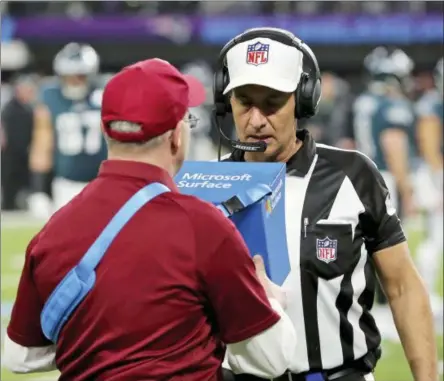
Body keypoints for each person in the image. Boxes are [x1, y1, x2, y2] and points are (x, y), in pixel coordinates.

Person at [3, 58, 297, 381]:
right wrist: (271, 298)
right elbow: (271, 357)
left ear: (106, 130)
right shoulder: (203, 226)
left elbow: (20, 356)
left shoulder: (54, 229)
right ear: (176, 136)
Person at [213, 27, 438, 381]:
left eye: (272, 101)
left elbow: (402, 286)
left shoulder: (353, 175)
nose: (256, 120)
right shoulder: (207, 189)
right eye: (244, 101)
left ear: (302, 99)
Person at [352, 47, 418, 319]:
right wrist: (406, 187)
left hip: (361, 176)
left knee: (365, 243)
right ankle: (386, 304)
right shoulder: (392, 104)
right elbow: (393, 144)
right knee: (388, 245)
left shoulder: (364, 101)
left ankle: (371, 303)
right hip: (384, 176)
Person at [28, 42, 107, 220]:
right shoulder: (51, 97)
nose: (75, 80)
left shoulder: (104, 95)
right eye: (69, 75)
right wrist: (39, 189)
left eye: (80, 75)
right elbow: (42, 144)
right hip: (66, 184)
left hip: (102, 181)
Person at [414, 57, 443, 313]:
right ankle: (426, 293)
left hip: (434, 175)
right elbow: (430, 148)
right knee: (435, 237)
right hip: (434, 177)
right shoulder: (432, 106)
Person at [1, 75, 38, 210]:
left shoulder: (28, 108)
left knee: (23, 183)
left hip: (24, 152)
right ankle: (8, 207)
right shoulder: (10, 108)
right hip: (10, 153)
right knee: (9, 183)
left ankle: (18, 206)